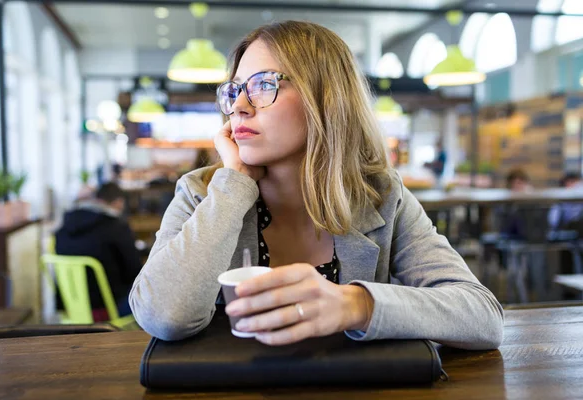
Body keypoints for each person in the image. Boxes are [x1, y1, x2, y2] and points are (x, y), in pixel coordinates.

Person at [129, 21, 503, 349]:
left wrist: (356, 305)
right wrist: (235, 182)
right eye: (234, 90)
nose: (239, 105)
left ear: (325, 99)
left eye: (263, 85)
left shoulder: (381, 196)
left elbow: (481, 316)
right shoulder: (202, 192)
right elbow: (163, 316)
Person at [56, 182, 142, 320]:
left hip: (71, 307)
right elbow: (135, 270)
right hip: (108, 308)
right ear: (119, 202)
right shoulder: (116, 227)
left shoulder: (63, 227)